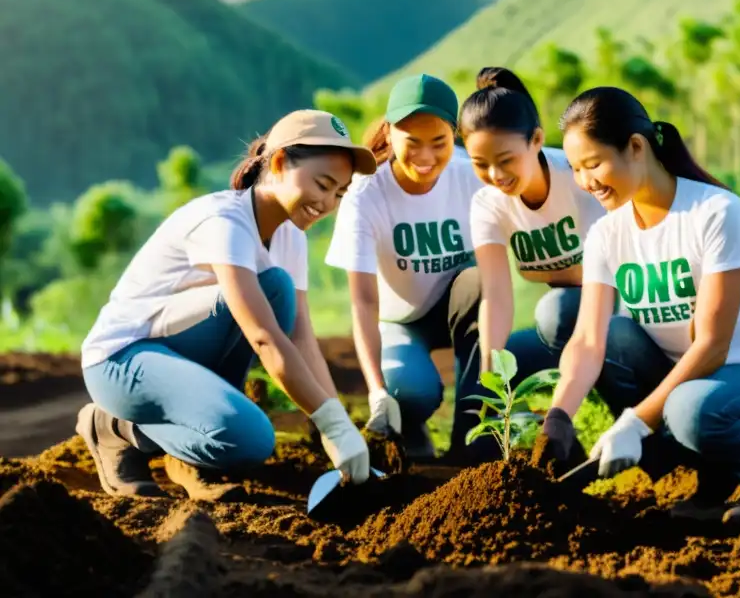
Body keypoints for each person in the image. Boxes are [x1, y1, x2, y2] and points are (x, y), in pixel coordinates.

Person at [536, 87, 740, 531]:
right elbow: (588, 339)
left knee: (689, 407)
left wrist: (636, 422)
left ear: (636, 147)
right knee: (616, 339)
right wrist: (558, 417)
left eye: (593, 164)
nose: (585, 181)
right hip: (700, 385)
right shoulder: (606, 234)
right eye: (575, 169)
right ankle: (716, 474)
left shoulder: (714, 212)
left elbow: (712, 347)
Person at [76, 110, 378, 501]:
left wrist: (336, 422)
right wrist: (332, 424)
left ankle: (194, 448)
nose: (327, 203)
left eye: (339, 193)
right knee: (249, 441)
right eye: (322, 184)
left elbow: (301, 337)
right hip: (121, 360)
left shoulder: (291, 238)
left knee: (276, 289)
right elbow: (265, 337)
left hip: (180, 350)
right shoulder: (224, 221)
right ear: (281, 162)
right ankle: (114, 426)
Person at [326, 73, 553, 462]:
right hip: (400, 321)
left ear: (456, 135)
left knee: (479, 277)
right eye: (412, 143)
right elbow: (364, 302)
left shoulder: (474, 175)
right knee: (406, 392)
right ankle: (410, 428)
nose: (426, 158)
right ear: (390, 133)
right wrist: (377, 391)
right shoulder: (367, 194)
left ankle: (474, 435)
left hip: (462, 306)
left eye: (439, 143)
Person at [459, 66, 602, 376]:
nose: (495, 175)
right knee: (484, 361)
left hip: (622, 307)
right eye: (481, 164)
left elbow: (604, 274)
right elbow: (496, 294)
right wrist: (490, 371)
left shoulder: (578, 178)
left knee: (556, 311)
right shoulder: (488, 204)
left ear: (536, 139)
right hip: (570, 320)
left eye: (506, 160)